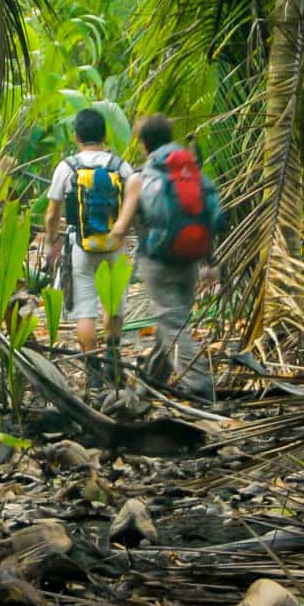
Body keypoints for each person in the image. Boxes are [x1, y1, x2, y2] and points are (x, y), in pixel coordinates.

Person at [111, 114, 222, 401]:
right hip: (192, 256)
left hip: (158, 258)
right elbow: (210, 215)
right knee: (174, 317)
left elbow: (122, 227)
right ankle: (152, 378)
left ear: (143, 145)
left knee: (172, 321)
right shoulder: (193, 172)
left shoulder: (141, 178)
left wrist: (111, 235)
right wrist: (211, 262)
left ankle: (198, 384)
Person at [42, 108, 137, 392]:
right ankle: (113, 357)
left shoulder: (67, 167)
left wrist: (50, 242)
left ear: (76, 136)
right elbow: (133, 202)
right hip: (114, 245)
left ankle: (92, 371)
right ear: (104, 135)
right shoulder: (120, 166)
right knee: (112, 303)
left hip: (80, 247)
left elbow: (51, 213)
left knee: (85, 309)